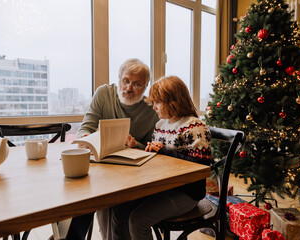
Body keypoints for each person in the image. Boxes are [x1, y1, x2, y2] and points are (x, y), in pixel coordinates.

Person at [58, 58, 159, 240]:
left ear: (145, 87)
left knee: (118, 209)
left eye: (136, 84)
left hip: (131, 174)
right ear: (119, 78)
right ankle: (70, 236)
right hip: (100, 167)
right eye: (126, 81)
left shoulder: (151, 109)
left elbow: (151, 149)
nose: (128, 88)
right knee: (83, 195)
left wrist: (136, 145)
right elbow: (85, 128)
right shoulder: (104, 93)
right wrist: (88, 139)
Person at [111, 75, 213, 240]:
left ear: (173, 102)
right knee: (119, 208)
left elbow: (201, 167)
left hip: (186, 193)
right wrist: (137, 146)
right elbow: (156, 155)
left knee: (138, 221)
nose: (154, 107)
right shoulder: (161, 125)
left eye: (157, 103)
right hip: (161, 187)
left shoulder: (195, 127)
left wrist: (164, 151)